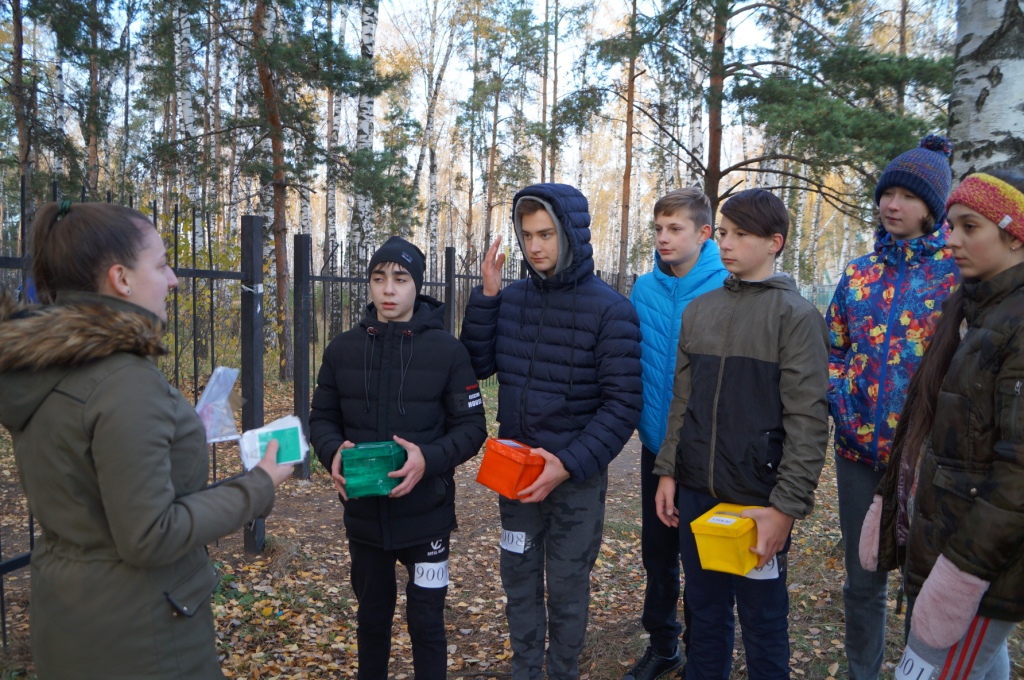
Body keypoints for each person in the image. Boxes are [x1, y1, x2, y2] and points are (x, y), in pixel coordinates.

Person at [0, 201, 294, 679]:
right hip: (144, 639)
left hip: (70, 617)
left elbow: (85, 477)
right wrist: (259, 484)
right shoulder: (122, 381)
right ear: (122, 279)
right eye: (160, 264)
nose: (174, 279)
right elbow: (149, 536)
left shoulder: (47, 366)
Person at [460, 183, 643, 679]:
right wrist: (489, 296)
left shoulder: (611, 310)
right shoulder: (513, 299)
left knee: (566, 584)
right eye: (526, 235)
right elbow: (476, 364)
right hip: (514, 474)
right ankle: (525, 669)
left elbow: (623, 404)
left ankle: (562, 670)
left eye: (546, 234)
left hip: (574, 479)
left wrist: (567, 464)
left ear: (571, 234)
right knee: (518, 576)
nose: (535, 246)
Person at [653, 188, 829, 680]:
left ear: (775, 242)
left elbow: (809, 420)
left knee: (763, 618)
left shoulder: (796, 317)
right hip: (696, 495)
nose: (727, 244)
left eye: (741, 235)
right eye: (724, 233)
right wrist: (668, 472)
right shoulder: (700, 310)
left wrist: (785, 508)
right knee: (704, 613)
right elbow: (681, 403)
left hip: (759, 500)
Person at [860, 170, 1024, 679]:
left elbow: (1017, 473)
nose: (950, 239)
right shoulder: (971, 306)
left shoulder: (1016, 322)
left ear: (1015, 234)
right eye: (951, 225)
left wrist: (963, 572)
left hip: (978, 563)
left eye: (968, 226)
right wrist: (892, 495)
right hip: (949, 538)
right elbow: (926, 420)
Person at [309, 236, 487, 680]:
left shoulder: (447, 351)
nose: (388, 289)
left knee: (427, 622)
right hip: (365, 517)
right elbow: (321, 420)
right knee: (371, 620)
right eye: (378, 278)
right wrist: (332, 452)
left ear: (416, 286)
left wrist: (428, 458)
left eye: (400, 279)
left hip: (426, 515)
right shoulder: (341, 351)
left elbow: (472, 428)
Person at [825, 135, 958, 679]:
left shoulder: (955, 274)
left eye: (906, 195)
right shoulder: (858, 273)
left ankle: (914, 673)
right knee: (864, 580)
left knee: (922, 584)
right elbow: (833, 345)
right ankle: (863, 672)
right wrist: (841, 398)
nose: (892, 204)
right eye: (887, 193)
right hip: (858, 454)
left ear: (932, 207)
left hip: (926, 457)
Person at [624, 187, 728, 680]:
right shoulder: (643, 289)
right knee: (658, 554)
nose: (664, 238)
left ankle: (703, 652)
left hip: (706, 451)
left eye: (676, 229)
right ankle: (664, 645)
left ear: (703, 232)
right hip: (653, 446)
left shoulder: (726, 286)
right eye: (659, 229)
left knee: (703, 558)